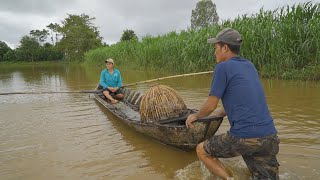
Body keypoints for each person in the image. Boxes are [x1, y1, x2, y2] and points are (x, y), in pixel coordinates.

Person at [185, 28, 279, 180]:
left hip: (244, 137)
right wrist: (219, 114)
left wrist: (195, 116)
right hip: (270, 137)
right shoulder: (250, 66)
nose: (214, 52)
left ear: (225, 48)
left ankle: (228, 179)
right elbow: (242, 100)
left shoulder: (222, 67)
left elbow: (210, 105)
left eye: (216, 47)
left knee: (202, 150)